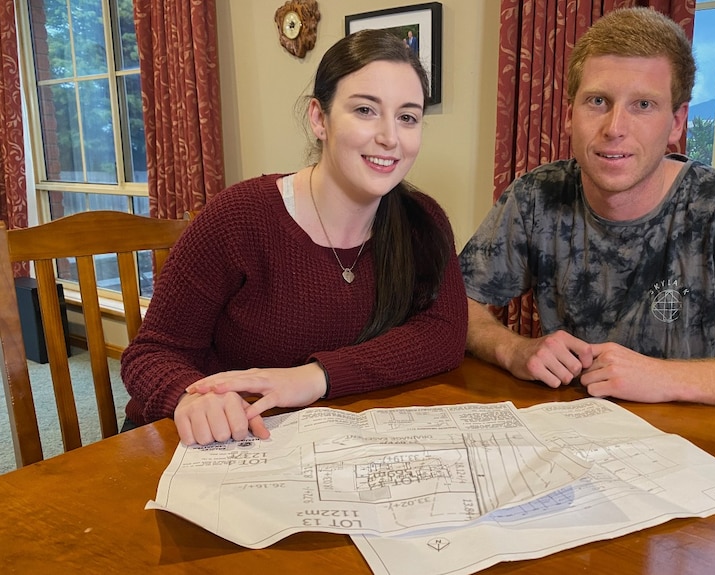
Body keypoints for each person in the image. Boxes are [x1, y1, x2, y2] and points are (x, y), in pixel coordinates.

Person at [459, 7, 715, 413]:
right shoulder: (535, 197)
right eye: (597, 101)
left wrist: (664, 376)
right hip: (564, 437)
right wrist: (512, 349)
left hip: (686, 448)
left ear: (676, 122)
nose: (615, 127)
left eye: (644, 105)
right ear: (570, 116)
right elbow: (453, 305)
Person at [121, 29, 468, 445]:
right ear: (319, 119)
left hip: (320, 442)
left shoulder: (422, 222)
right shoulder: (239, 217)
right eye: (365, 110)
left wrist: (317, 376)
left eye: (407, 117)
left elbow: (445, 333)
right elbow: (149, 354)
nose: (390, 138)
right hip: (210, 440)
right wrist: (187, 399)